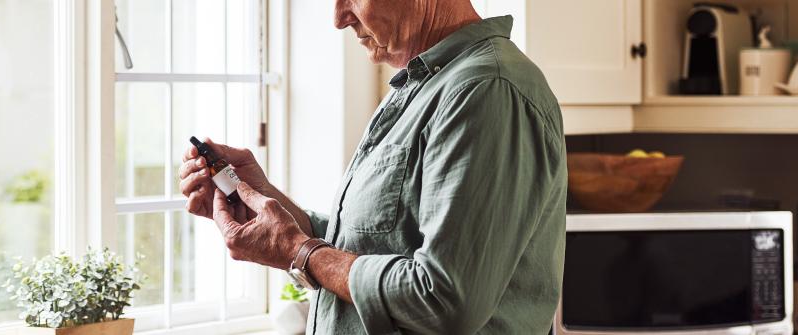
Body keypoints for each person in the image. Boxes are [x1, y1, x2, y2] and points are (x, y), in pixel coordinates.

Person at [178, 0, 566, 333]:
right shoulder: (426, 86)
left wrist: (300, 252)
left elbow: (443, 299)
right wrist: (269, 206)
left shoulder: (486, 92)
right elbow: (377, 247)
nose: (338, 17)